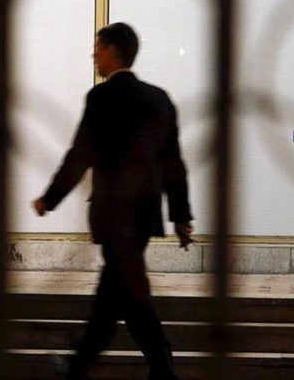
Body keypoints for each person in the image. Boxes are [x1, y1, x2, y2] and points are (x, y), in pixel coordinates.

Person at [32, 22, 194, 380]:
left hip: (113, 211)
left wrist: (50, 198)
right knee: (125, 292)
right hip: (144, 214)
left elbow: (79, 155)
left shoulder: (101, 99)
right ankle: (156, 366)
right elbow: (173, 164)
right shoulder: (159, 99)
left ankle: (86, 365)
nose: (94, 54)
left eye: (98, 47)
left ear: (113, 51)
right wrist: (181, 216)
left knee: (117, 294)